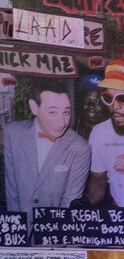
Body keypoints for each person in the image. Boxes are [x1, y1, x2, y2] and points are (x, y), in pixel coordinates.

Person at [3, 81, 91, 215]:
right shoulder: (13, 134)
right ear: (34, 107)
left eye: (66, 112)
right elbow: (12, 195)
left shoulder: (80, 148)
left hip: (54, 232)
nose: (62, 123)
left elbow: (69, 207)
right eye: (53, 112)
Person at [84, 60, 124, 208]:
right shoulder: (99, 133)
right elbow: (98, 182)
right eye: (108, 98)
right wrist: (82, 204)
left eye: (123, 99)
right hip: (120, 214)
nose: (115, 106)